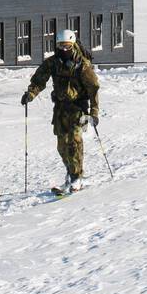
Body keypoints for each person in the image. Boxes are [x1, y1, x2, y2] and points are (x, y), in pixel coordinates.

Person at [21, 29, 99, 192]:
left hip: (78, 108)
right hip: (61, 109)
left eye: (67, 46)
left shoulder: (82, 65)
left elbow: (93, 88)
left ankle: (77, 178)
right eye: (61, 46)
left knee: (74, 143)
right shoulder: (53, 62)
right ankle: (71, 173)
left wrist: (94, 112)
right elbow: (39, 79)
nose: (64, 49)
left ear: (73, 45)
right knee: (62, 146)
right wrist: (31, 93)